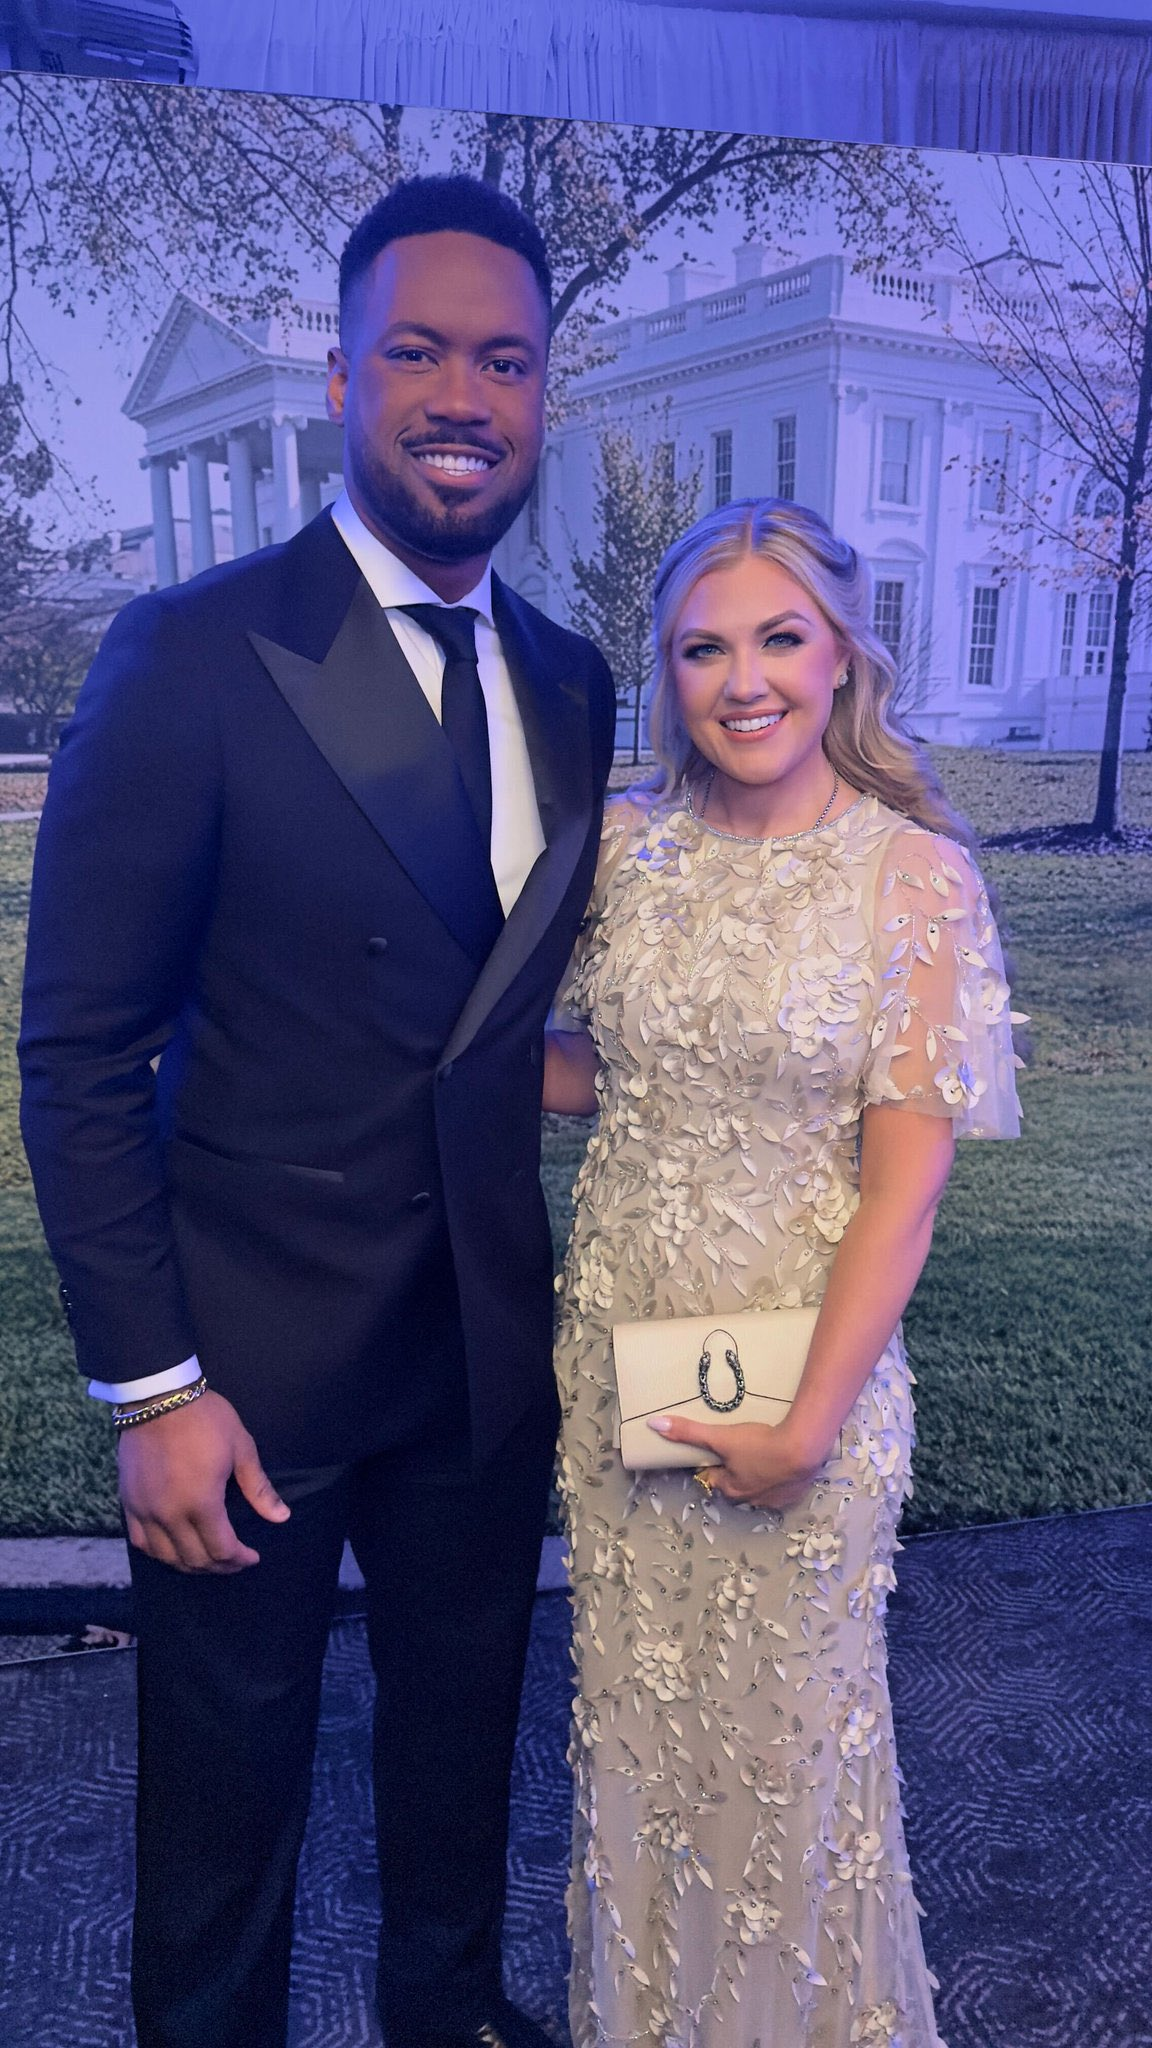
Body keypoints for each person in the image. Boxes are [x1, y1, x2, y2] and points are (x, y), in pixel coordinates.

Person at [19, 174, 615, 2048]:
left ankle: (450, 2019)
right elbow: (77, 1053)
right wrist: (153, 1392)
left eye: (505, 361)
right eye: (420, 351)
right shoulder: (193, 650)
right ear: (347, 377)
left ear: (544, 394)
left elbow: (491, 1022)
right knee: (225, 1825)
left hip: (481, 1353)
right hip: (247, 1374)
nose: (465, 396)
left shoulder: (576, 681)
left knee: (462, 1770)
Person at [543, 498, 1021, 2047]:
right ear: (666, 671)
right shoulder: (629, 847)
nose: (741, 680)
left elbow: (904, 1190)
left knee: (781, 1758)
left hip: (809, 1386)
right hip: (625, 1368)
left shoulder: (913, 877)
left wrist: (810, 1425)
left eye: (778, 640)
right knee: (642, 1743)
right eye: (703, 649)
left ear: (841, 658)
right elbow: (610, 1069)